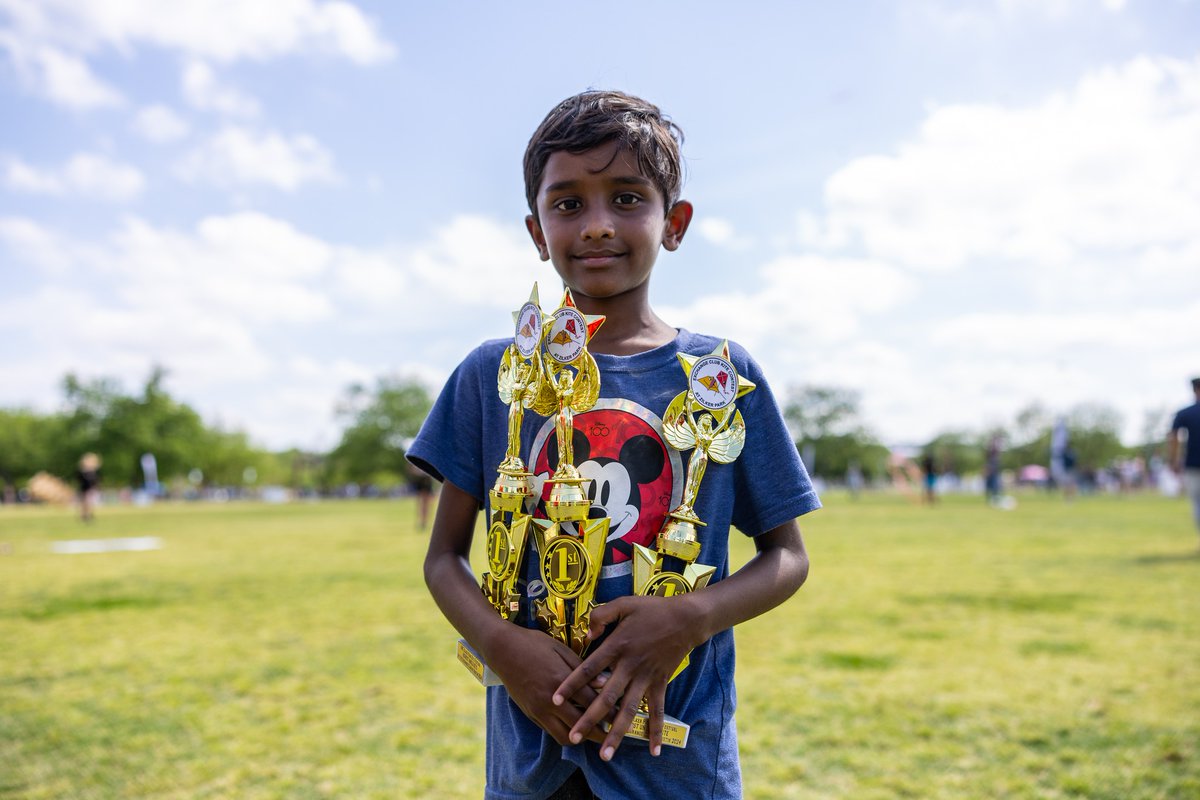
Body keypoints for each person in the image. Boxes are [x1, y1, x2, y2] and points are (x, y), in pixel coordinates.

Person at [408, 90, 819, 800]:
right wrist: (501, 646)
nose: (597, 226)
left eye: (627, 198)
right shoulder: (491, 375)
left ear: (675, 222)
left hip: (677, 763)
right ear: (537, 230)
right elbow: (443, 559)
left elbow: (787, 557)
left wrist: (693, 615)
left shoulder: (724, 376)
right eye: (568, 204)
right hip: (534, 753)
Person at [1167, 376, 1200, 541]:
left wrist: (1173, 460)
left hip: (1193, 464)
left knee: (1197, 503)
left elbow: (1174, 437)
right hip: (1193, 464)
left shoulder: (1185, 413)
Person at [76, 452, 101, 522]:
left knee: (89, 503)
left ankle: (88, 515)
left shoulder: (93, 472)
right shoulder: (82, 471)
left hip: (90, 489)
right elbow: (79, 479)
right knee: (84, 503)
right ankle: (84, 515)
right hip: (83, 488)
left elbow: (96, 480)